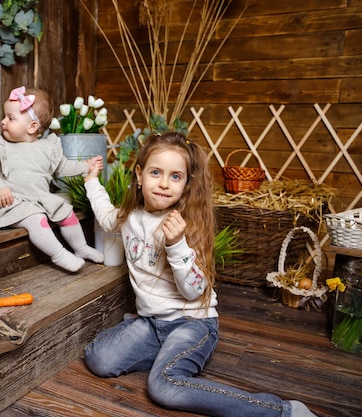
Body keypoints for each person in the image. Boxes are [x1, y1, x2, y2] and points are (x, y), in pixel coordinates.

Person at [82, 132, 317, 417]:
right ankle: (156, 344)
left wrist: (176, 244)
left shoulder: (185, 226)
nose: (165, 183)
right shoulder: (130, 217)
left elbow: (194, 290)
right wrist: (91, 180)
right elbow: (105, 214)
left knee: (163, 387)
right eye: (156, 172)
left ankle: (281, 411)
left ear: (186, 184)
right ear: (140, 175)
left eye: (176, 176)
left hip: (192, 322)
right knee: (98, 359)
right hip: (152, 321)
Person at [0, 86, 105, 272]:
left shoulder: (48, 147)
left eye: (10, 118)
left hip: (41, 198)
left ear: (32, 126)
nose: (3, 122)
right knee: (36, 219)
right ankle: (59, 255)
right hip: (15, 202)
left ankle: (81, 248)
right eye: (5, 116)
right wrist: (0, 188)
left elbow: (63, 167)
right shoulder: (2, 146)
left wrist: (85, 167)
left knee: (66, 212)